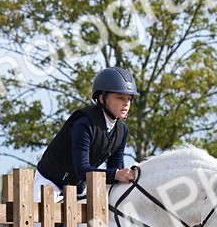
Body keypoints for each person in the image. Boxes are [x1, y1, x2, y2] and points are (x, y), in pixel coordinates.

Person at [35, 66, 139, 200]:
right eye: (120, 98)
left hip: (78, 188)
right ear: (102, 99)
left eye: (129, 99)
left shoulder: (121, 131)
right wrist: (116, 174)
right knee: (38, 221)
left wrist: (125, 175)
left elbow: (115, 169)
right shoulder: (84, 123)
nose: (126, 104)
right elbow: (83, 171)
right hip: (49, 183)